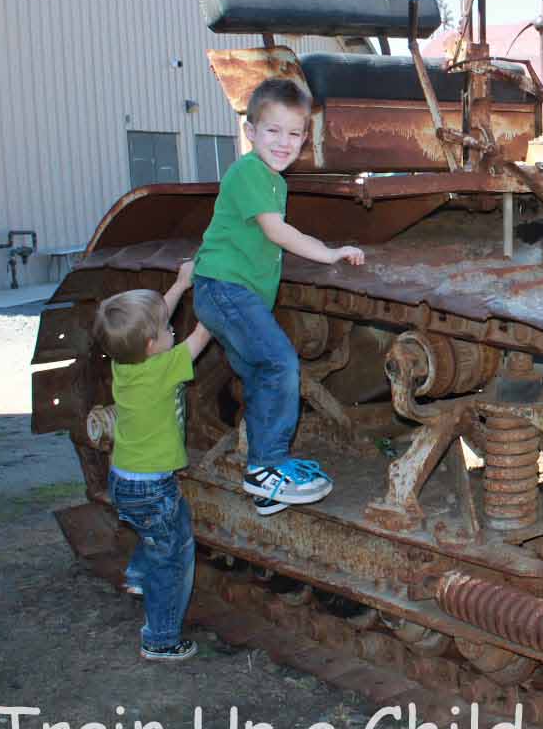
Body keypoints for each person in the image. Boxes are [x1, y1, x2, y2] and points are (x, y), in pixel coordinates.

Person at [191, 77, 364, 515]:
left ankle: (266, 488)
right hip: (226, 289)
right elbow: (276, 232)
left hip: (231, 293)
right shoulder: (249, 172)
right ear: (250, 132)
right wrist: (329, 253)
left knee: (262, 378)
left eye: (294, 133)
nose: (283, 143)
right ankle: (267, 465)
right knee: (281, 362)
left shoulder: (273, 181)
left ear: (305, 137)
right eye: (272, 131)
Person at [92, 261, 213, 661]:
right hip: (153, 488)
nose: (172, 329)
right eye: (165, 330)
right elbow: (201, 335)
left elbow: (156, 316)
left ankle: (139, 573)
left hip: (124, 481)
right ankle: (160, 640)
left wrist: (180, 284)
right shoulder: (164, 369)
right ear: (150, 345)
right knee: (174, 556)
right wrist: (220, 296)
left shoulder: (122, 364)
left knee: (159, 535)